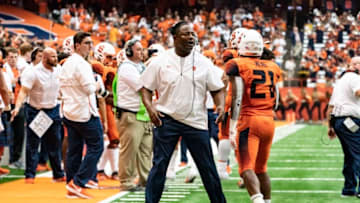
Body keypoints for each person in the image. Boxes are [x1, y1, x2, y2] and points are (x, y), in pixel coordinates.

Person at [140, 21, 227, 203]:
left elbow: (217, 88)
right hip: (167, 120)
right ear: (175, 37)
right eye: (186, 34)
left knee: (207, 168)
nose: (191, 37)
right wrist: (150, 108)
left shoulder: (203, 62)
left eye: (193, 34)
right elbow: (146, 88)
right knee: (159, 166)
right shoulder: (160, 62)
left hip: (196, 121)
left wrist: (220, 105)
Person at [226, 29, 282, 203]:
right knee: (261, 169)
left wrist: (233, 127)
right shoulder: (272, 66)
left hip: (249, 120)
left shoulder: (237, 64)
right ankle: (267, 201)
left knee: (245, 168)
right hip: (268, 121)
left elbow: (237, 97)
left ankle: (257, 201)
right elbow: (277, 101)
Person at [59, 32, 103, 199]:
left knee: (74, 150)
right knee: (97, 146)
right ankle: (78, 182)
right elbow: (89, 88)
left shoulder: (66, 64)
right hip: (85, 112)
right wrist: (98, 84)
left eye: (91, 43)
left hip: (69, 111)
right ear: (77, 45)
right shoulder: (82, 64)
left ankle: (71, 184)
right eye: (86, 43)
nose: (90, 47)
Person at [11, 48, 65, 184]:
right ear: (45, 58)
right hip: (36, 110)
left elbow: (61, 88)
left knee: (55, 143)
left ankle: (58, 174)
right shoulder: (32, 72)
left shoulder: (59, 69)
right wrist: (17, 107)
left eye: (56, 56)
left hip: (53, 109)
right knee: (33, 144)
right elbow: (23, 92)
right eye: (53, 57)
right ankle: (30, 175)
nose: (56, 59)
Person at [115, 39, 152, 191]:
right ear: (129, 52)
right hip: (130, 114)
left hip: (144, 114)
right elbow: (142, 87)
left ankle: (146, 181)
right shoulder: (126, 68)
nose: (141, 52)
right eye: (138, 49)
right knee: (129, 151)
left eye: (142, 49)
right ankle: (126, 182)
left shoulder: (141, 66)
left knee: (145, 151)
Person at [327, 56, 360, 198]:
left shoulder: (341, 81)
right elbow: (358, 92)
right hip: (349, 120)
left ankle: (349, 188)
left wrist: (330, 126)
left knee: (350, 155)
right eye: (356, 63)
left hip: (340, 121)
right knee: (358, 153)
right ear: (351, 65)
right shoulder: (354, 77)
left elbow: (330, 106)